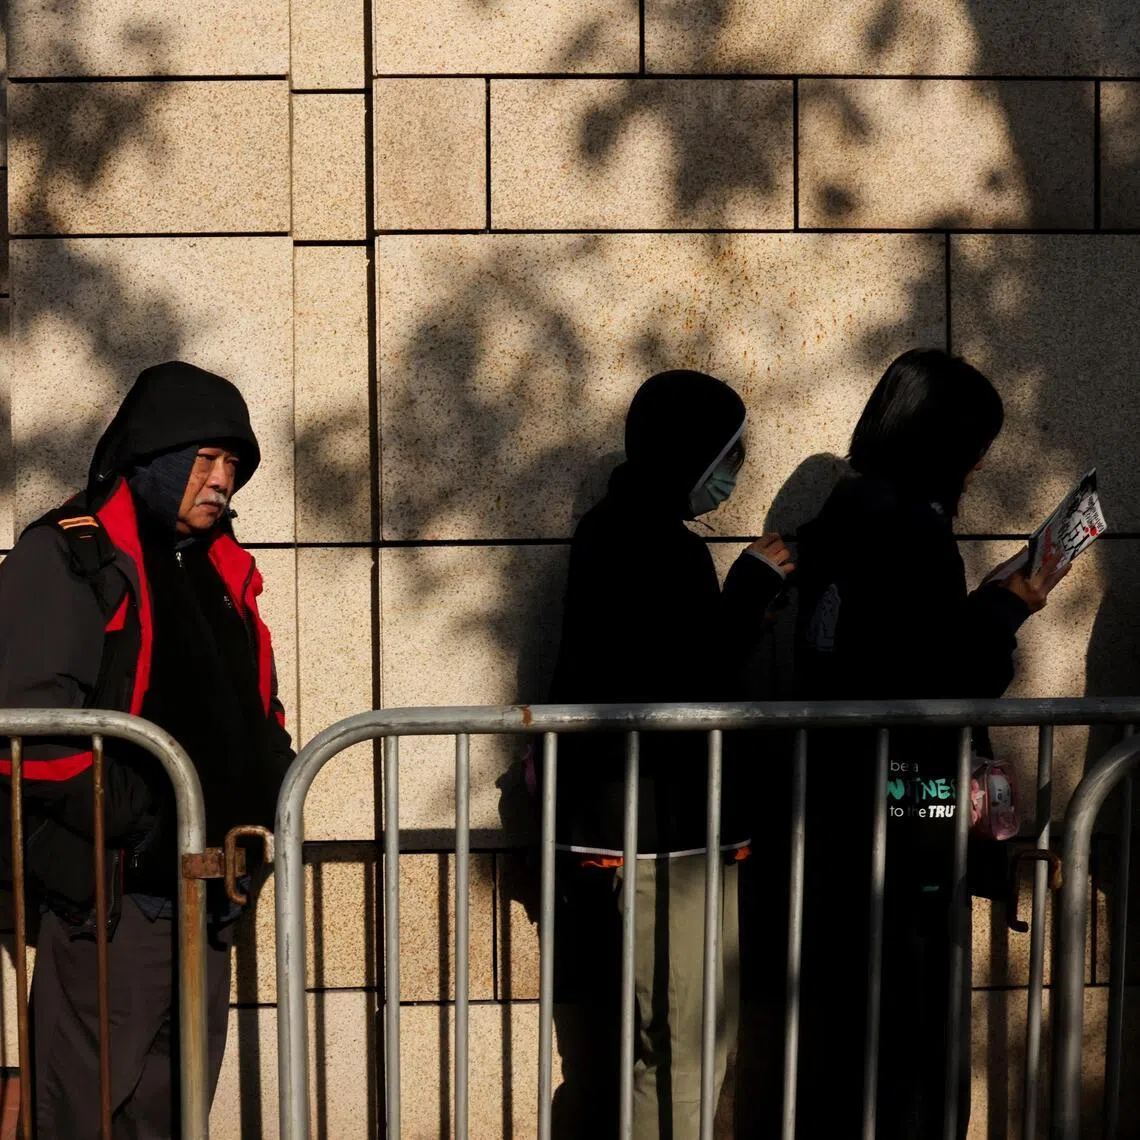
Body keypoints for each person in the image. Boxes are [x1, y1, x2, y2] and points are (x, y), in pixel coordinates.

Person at [0, 361, 293, 1138]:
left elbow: (258, 707)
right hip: (113, 907)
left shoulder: (219, 566)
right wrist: (147, 822)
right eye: (205, 458)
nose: (223, 480)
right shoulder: (70, 554)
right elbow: (27, 727)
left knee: (173, 1115)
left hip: (209, 900)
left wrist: (267, 788)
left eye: (234, 464)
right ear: (153, 454)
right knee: (85, 1116)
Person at [792, 348, 1067, 1138]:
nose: (981, 464)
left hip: (845, 807)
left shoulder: (846, 510)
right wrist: (1010, 606)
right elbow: (940, 676)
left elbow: (885, 649)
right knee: (909, 1023)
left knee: (854, 1024)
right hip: (908, 808)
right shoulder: (909, 525)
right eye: (978, 444)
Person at [548, 369, 794, 1139]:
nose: (736, 470)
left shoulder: (621, 531)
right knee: (686, 1047)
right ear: (686, 451)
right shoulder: (646, 544)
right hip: (662, 836)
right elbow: (677, 679)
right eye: (728, 452)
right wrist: (750, 591)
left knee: (679, 1040)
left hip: (655, 830)